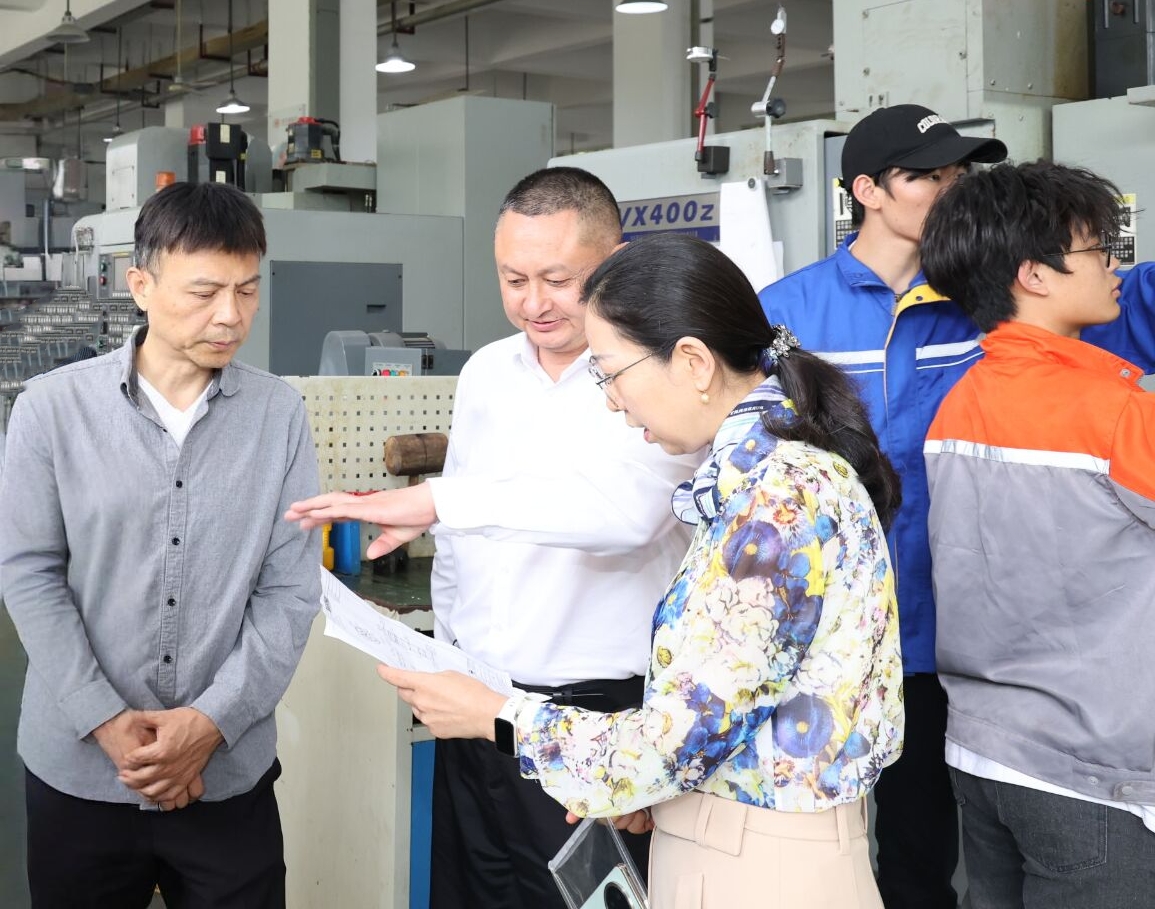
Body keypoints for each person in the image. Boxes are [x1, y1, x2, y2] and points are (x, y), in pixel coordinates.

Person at [294, 232, 906, 908]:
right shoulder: (769, 476)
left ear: (693, 362)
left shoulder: (774, 502)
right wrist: (654, 791)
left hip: (759, 865)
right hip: (735, 836)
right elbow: (726, 715)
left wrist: (498, 716)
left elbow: (672, 742)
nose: (611, 400)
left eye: (610, 372)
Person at [758, 103, 1155, 908]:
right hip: (835, 634)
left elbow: (1113, 310)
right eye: (926, 175)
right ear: (866, 190)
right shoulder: (787, 314)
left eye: (957, 173)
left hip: (961, 647)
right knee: (817, 849)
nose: (948, 187)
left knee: (926, 851)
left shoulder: (991, 306)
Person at [286, 167, 697, 909]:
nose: (533, 302)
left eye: (558, 279)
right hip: (474, 710)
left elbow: (622, 515)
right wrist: (445, 653)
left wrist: (438, 500)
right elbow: (464, 540)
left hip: (592, 718)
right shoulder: (487, 372)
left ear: (616, 260)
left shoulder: (657, 371)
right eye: (513, 279)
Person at [0, 181, 321, 909]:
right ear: (140, 286)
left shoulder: (278, 416)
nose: (230, 314)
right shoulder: (52, 410)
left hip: (224, 777)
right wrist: (106, 721)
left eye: (247, 290)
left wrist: (209, 723)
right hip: (80, 773)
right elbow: (30, 574)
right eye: (204, 292)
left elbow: (290, 592)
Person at [920, 161, 1155, 909]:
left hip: (983, 751)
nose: (1115, 268)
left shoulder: (958, 402)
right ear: (1034, 274)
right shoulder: (1116, 412)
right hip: (1092, 777)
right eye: (1098, 251)